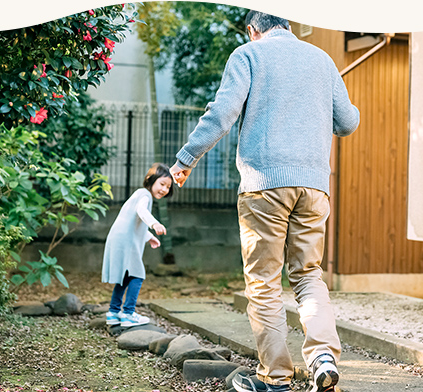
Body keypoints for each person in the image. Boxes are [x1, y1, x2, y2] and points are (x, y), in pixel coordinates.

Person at [169, 10, 360, 392]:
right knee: (308, 275)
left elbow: (222, 114)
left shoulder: (248, 55)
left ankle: (275, 380)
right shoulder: (322, 59)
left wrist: (186, 158)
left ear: (253, 30)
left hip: (264, 185)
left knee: (264, 284)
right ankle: (323, 357)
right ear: (288, 26)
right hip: (313, 188)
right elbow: (348, 122)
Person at [102, 162, 173, 327]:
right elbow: (142, 212)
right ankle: (127, 313)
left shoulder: (138, 194)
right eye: (162, 184)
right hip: (126, 241)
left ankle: (113, 312)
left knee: (125, 276)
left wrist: (149, 237)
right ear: (150, 179)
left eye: (168, 187)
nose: (164, 189)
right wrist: (154, 224)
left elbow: (133, 221)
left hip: (119, 237)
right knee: (138, 274)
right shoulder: (144, 195)